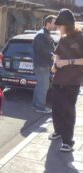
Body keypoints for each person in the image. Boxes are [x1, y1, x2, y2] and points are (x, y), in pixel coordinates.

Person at [49, 9, 83, 152]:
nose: (57, 28)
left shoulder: (81, 37)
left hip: (72, 81)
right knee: (56, 108)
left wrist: (68, 62)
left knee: (68, 111)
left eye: (59, 26)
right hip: (58, 79)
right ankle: (58, 131)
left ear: (66, 24)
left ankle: (68, 141)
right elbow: (57, 55)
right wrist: (54, 65)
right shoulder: (62, 38)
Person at [32, 15, 57, 114]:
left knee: (40, 85)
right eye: (54, 23)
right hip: (41, 64)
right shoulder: (41, 34)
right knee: (43, 86)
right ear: (48, 23)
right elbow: (41, 49)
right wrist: (52, 55)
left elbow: (50, 47)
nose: (55, 25)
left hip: (42, 64)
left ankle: (35, 105)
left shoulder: (45, 33)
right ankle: (40, 107)